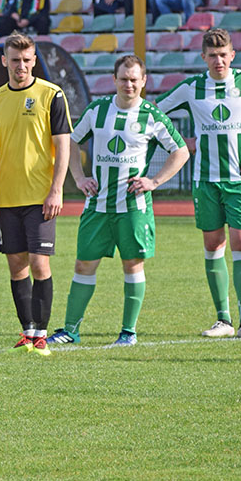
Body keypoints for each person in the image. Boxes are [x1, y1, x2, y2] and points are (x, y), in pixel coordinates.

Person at [155, 28, 241, 339]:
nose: (218, 60)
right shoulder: (191, 88)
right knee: (213, 245)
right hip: (205, 181)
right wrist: (180, 143)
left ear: (233, 55)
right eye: (212, 55)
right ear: (203, 57)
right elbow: (152, 114)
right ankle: (223, 320)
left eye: (223, 54)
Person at [48, 55, 188, 347]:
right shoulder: (98, 110)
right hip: (97, 206)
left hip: (133, 207)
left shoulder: (151, 115)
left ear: (144, 81)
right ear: (114, 80)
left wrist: (154, 181)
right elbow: (72, 141)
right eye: (123, 79)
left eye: (134, 79)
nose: (128, 84)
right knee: (83, 265)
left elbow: (181, 151)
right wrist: (78, 177)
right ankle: (71, 330)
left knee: (132, 265)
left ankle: (128, 332)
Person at [0, 31, 72, 356]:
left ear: (34, 61)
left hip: (41, 196)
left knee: (39, 263)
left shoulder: (52, 95)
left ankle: (42, 335)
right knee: (16, 265)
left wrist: (57, 189)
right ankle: (27, 333)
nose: (21, 65)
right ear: (5, 61)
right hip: (6, 198)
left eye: (27, 60)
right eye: (15, 60)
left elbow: (63, 147)